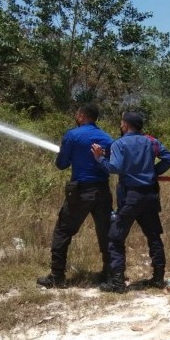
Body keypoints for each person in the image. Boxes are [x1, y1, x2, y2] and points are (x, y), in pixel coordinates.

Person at [91, 112, 170, 293]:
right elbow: (169, 158)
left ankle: (117, 283)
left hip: (131, 197)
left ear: (126, 125)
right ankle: (159, 279)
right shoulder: (151, 141)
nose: (120, 125)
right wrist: (153, 172)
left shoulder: (119, 144)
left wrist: (100, 158)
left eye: (121, 122)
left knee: (115, 238)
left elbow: (115, 167)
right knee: (154, 237)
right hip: (151, 196)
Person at [37, 103, 113, 289]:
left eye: (77, 113)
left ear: (81, 115)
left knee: (63, 231)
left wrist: (67, 153)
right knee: (106, 232)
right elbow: (110, 163)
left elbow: (61, 164)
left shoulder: (72, 135)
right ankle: (110, 274)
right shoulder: (107, 138)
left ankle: (57, 276)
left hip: (80, 191)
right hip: (102, 190)